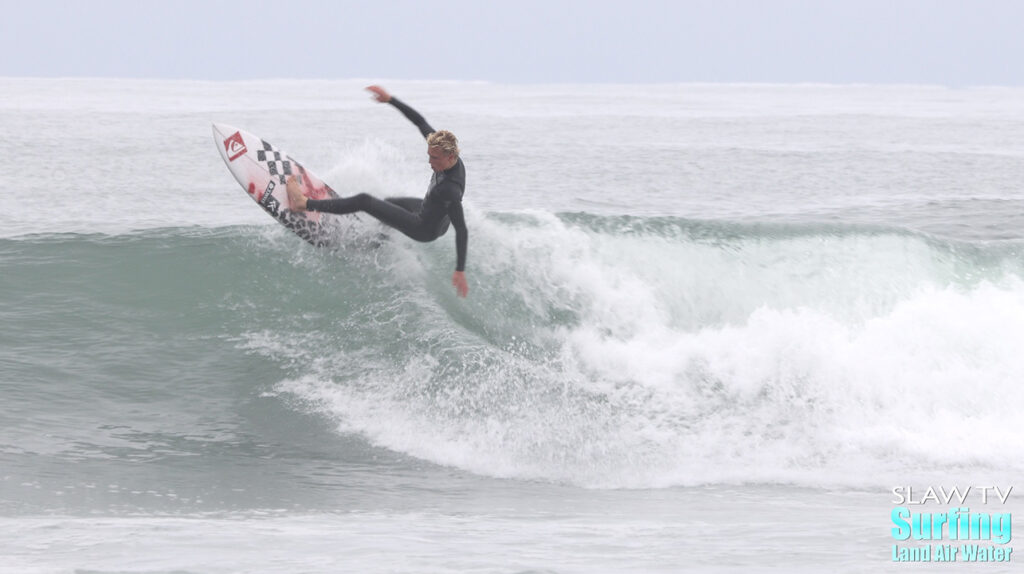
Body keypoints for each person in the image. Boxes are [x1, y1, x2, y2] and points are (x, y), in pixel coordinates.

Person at [287, 85, 469, 298]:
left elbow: (462, 229)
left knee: (365, 201)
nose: (429, 161)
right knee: (389, 202)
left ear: (450, 157)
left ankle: (303, 203)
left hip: (424, 228)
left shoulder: (450, 190)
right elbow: (420, 121)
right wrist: (390, 99)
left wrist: (460, 270)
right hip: (431, 210)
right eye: (429, 155)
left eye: (434, 158)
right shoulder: (445, 151)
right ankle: (378, 242)